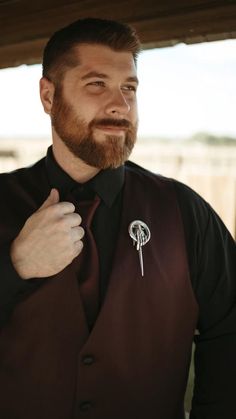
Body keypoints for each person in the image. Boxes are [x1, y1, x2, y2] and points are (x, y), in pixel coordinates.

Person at [0, 17, 235, 419]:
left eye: (129, 88)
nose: (120, 105)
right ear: (48, 96)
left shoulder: (185, 212)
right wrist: (13, 267)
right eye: (97, 84)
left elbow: (229, 333)